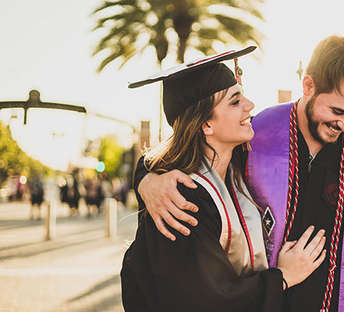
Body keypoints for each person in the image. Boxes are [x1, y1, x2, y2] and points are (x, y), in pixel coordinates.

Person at [135, 33, 344, 311]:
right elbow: (182, 154)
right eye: (337, 111)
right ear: (308, 85)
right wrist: (146, 178)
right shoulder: (250, 144)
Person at [121, 47, 326, 312]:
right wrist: (282, 278)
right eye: (235, 101)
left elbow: (150, 163)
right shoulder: (181, 200)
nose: (250, 106)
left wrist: (144, 178)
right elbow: (206, 299)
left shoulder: (236, 168)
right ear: (206, 124)